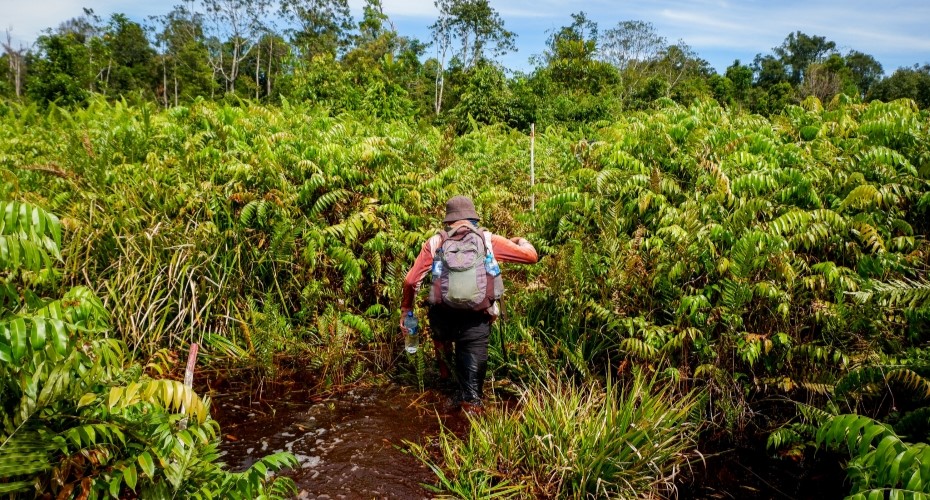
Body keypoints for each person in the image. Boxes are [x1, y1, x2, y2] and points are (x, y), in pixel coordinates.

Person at [400, 195, 538, 413]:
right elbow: (531, 256)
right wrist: (521, 241)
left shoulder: (436, 242)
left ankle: (444, 392)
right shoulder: (487, 239)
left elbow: (410, 281)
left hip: (442, 316)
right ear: (473, 218)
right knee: (472, 394)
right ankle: (469, 422)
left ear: (448, 221)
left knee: (445, 375)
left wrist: (406, 309)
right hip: (477, 319)